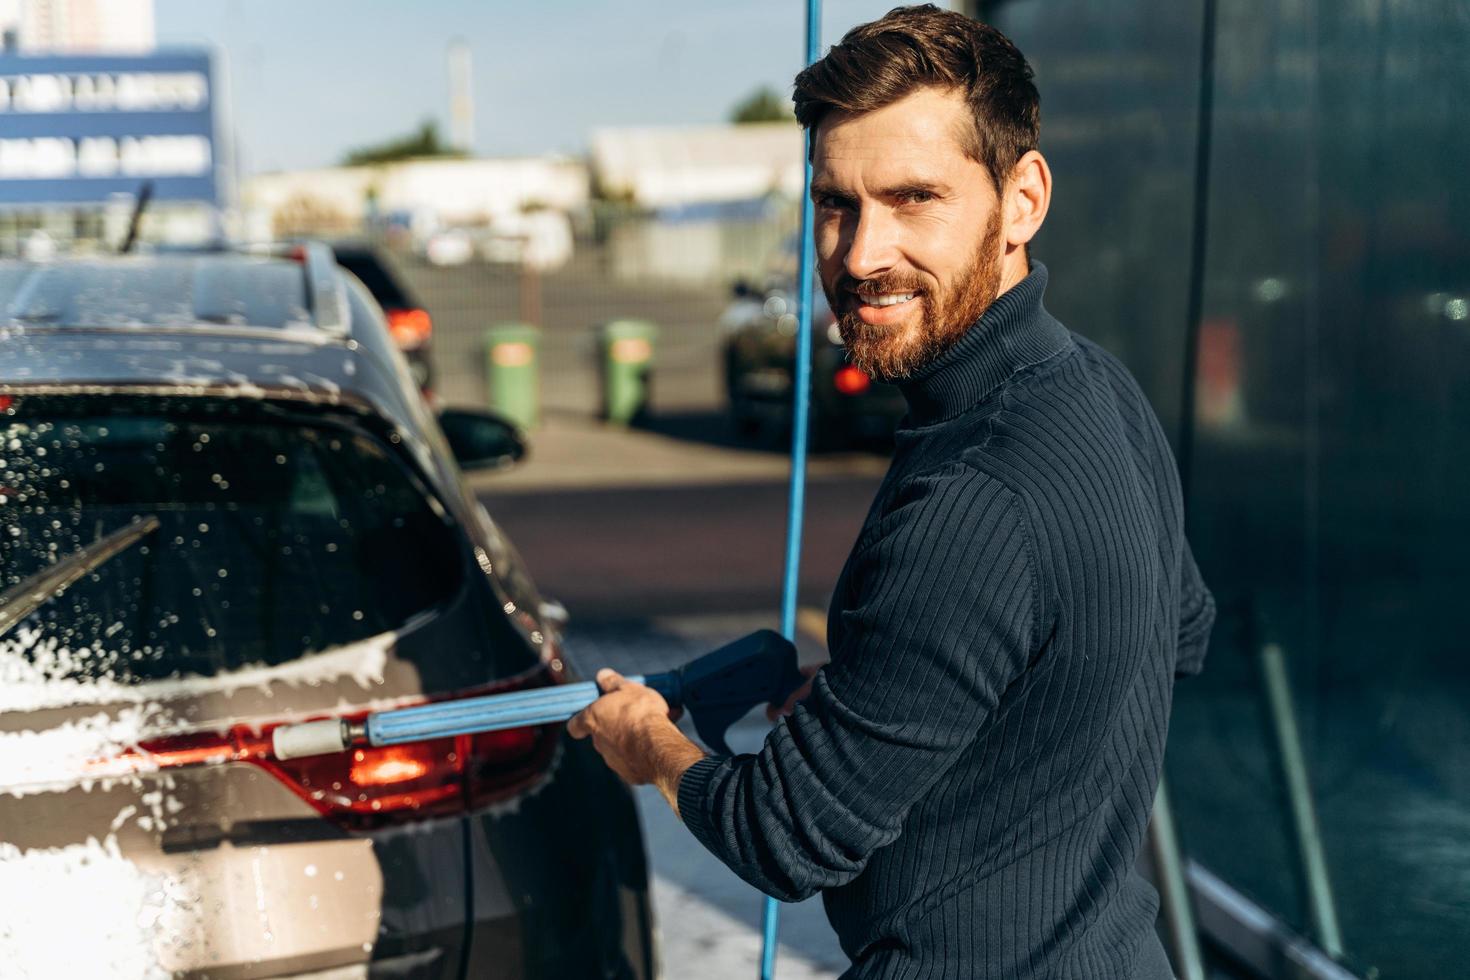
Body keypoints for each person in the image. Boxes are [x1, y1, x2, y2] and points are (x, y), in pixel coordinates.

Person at [568, 6, 1215, 978]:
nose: (862, 254)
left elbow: (784, 836)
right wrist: (893, 704)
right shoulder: (1101, 387)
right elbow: (1172, 635)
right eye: (837, 204)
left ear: (1023, 198)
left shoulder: (969, 500)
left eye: (915, 198)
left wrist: (650, 743)